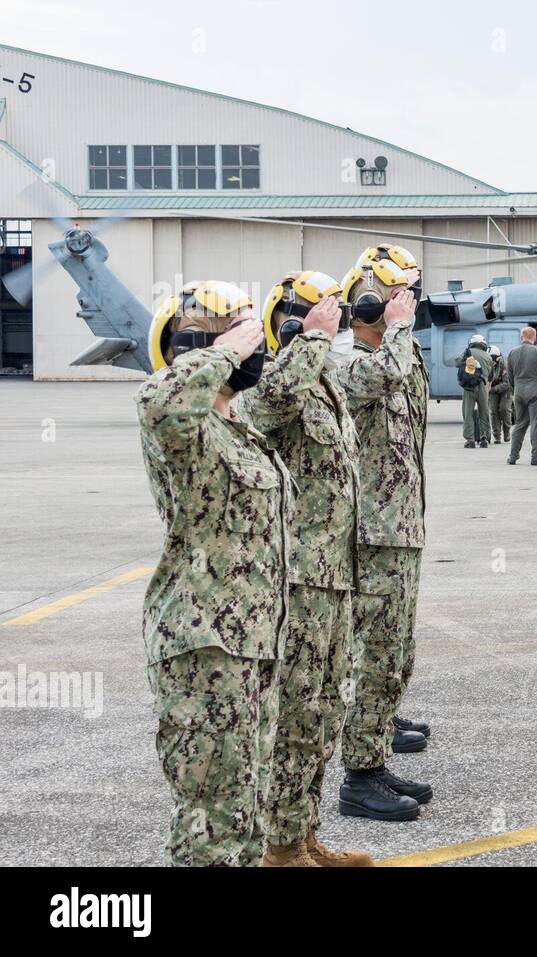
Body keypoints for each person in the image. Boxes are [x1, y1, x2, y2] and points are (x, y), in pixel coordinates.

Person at [136, 280, 289, 866]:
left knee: (245, 804)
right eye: (243, 333)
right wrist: (222, 350)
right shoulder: (184, 427)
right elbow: (160, 400)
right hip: (203, 644)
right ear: (196, 348)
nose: (257, 344)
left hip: (250, 643)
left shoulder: (236, 425)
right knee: (209, 816)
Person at [241, 271, 371, 866]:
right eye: (324, 315)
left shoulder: (323, 383)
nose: (337, 323)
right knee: (294, 713)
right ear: (293, 320)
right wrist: (309, 339)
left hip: (334, 577)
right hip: (299, 582)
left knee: (323, 710)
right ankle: (280, 849)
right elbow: (266, 408)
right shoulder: (278, 378)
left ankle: (303, 835)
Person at [333, 259, 432, 822]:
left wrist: (400, 325)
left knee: (396, 654)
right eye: (397, 298)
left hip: (400, 529)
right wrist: (392, 323)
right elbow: (385, 377)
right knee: (374, 656)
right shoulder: (352, 363)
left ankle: (374, 754)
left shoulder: (398, 354)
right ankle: (359, 777)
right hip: (372, 534)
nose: (408, 305)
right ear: (371, 308)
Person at [506, 326, 537, 466]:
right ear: (534, 338)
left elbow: (509, 376)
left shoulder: (512, 353)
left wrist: (515, 390)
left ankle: (513, 456)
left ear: (522, 338)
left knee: (520, 423)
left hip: (519, 392)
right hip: (535, 392)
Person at [459, 333, 493, 448]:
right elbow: (492, 375)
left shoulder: (467, 352)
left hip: (469, 387)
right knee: (484, 412)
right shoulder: (488, 356)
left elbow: (457, 362)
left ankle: (470, 439)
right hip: (483, 386)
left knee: (468, 412)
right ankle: (484, 438)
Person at [487, 344, 513, 443]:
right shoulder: (487, 365)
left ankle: (507, 432)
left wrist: (492, 389)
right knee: (493, 411)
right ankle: (497, 435)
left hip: (505, 389)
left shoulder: (504, 365)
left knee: (504, 409)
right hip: (493, 389)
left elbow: (507, 383)